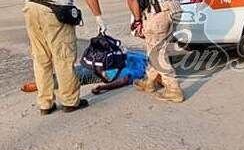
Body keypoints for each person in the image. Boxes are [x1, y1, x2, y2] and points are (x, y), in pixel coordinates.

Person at [114, 0, 184, 103]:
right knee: (156, 48)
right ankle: (150, 82)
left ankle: (173, 89)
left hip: (160, 10)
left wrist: (138, 20)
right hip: (176, 8)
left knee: (157, 52)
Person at [21, 51, 150, 95]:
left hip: (100, 61)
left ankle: (41, 82)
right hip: (103, 71)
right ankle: (40, 84)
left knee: (73, 71)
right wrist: (103, 87)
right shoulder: (142, 70)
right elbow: (125, 79)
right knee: (76, 76)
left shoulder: (143, 56)